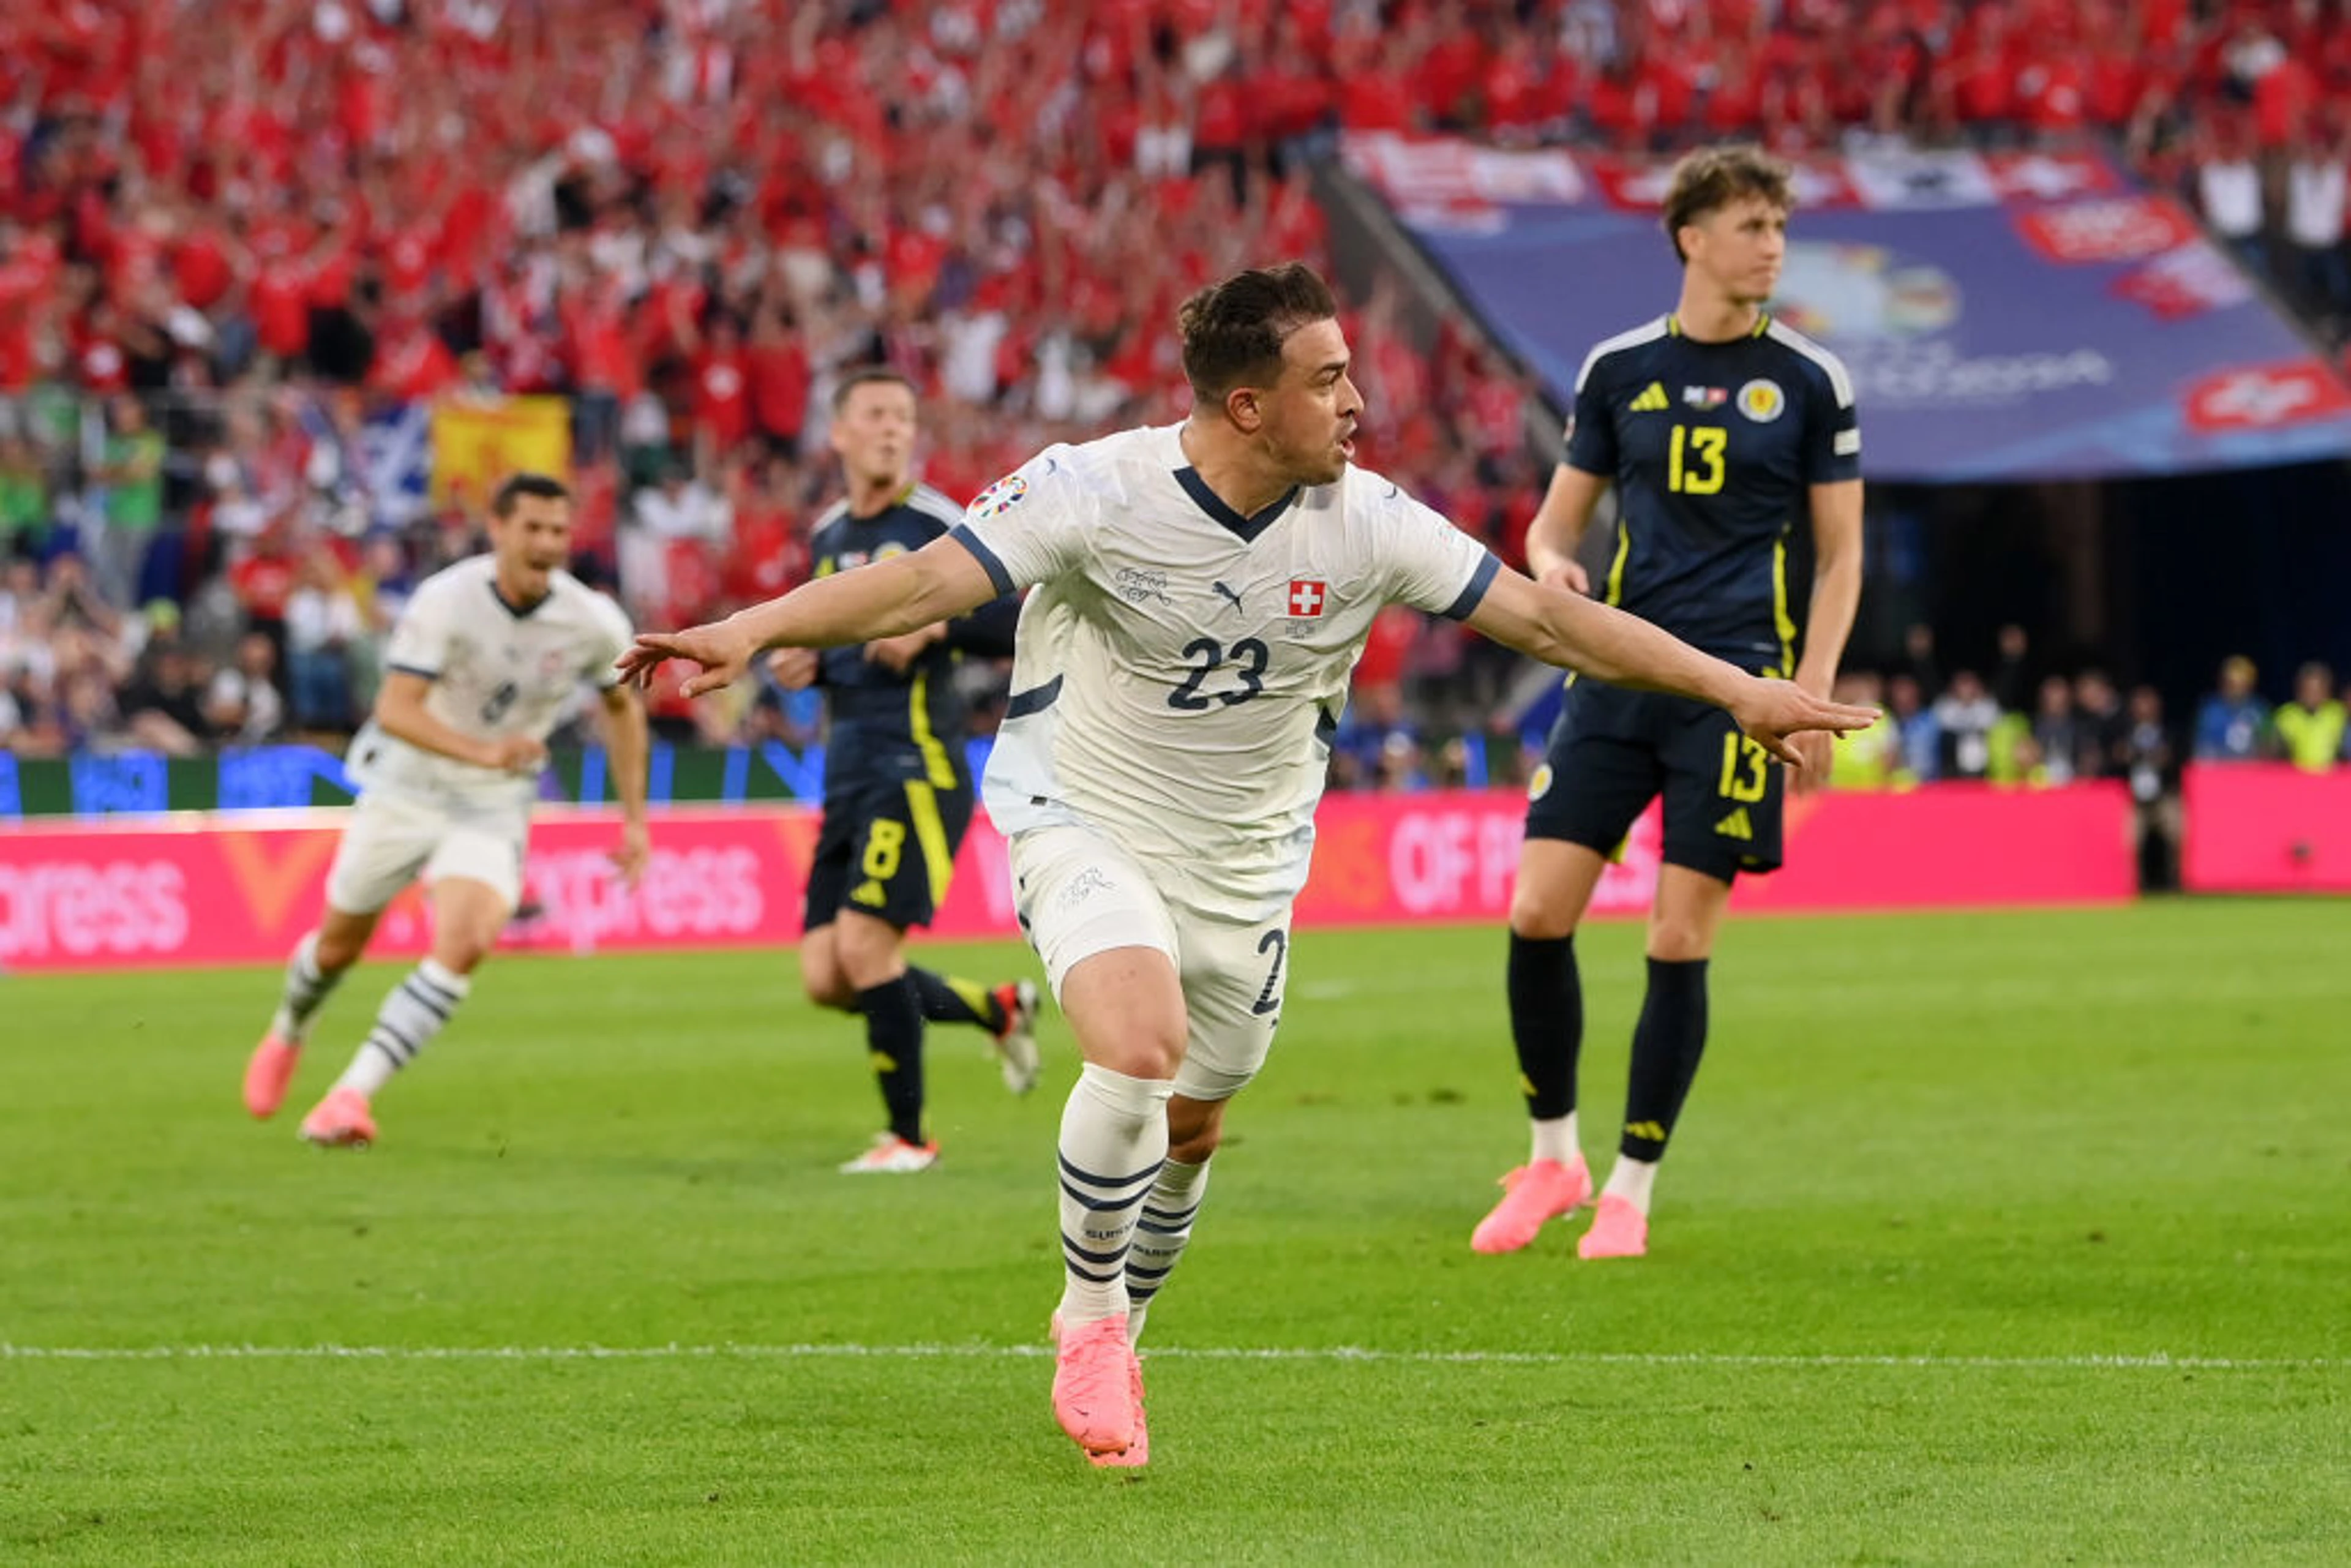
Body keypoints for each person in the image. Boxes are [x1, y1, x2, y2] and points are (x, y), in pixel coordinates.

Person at [618, 262, 1873, 1468]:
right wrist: (753, 623)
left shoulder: (1368, 519)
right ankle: (1090, 1317)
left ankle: (1124, 1323)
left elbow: (1548, 618)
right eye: (1327, 378)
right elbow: (920, 581)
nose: (1356, 402)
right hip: (1084, 811)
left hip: (1247, 861)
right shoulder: (1092, 488)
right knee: (1137, 1040)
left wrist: (1735, 688)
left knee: (1196, 1126)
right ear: (1245, 404)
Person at [1470, 144, 1864, 1264]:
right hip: (1618, 668)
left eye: (1780, 226)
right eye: (1752, 225)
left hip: (1739, 689)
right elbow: (1555, 524)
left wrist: (1811, 697)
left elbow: (1840, 561)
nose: (1773, 245)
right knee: (1538, 911)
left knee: (1678, 933)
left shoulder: (1811, 380)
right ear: (1692, 237)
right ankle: (1554, 1156)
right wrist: (1553, 568)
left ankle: (1633, 1184)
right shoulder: (1617, 370)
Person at [241, 473, 650, 1147]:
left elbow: (620, 707)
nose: (548, 543)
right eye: (533, 529)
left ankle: (350, 1094)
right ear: (498, 530)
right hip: (407, 786)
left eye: (558, 530)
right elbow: (394, 708)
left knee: (465, 942)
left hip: (490, 804)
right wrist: (479, 751)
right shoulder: (447, 600)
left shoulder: (591, 621)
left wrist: (634, 819)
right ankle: (289, 1028)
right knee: (340, 946)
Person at [771, 367, 1040, 1175]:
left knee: (864, 944)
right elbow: (840, 639)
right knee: (827, 975)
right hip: (846, 769)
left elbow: (1016, 613)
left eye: (902, 416)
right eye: (875, 415)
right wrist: (809, 664)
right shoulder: (826, 536)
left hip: (917, 762)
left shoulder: (938, 524)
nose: (892, 428)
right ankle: (996, 1008)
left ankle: (910, 1138)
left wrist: (936, 630)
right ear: (840, 434)